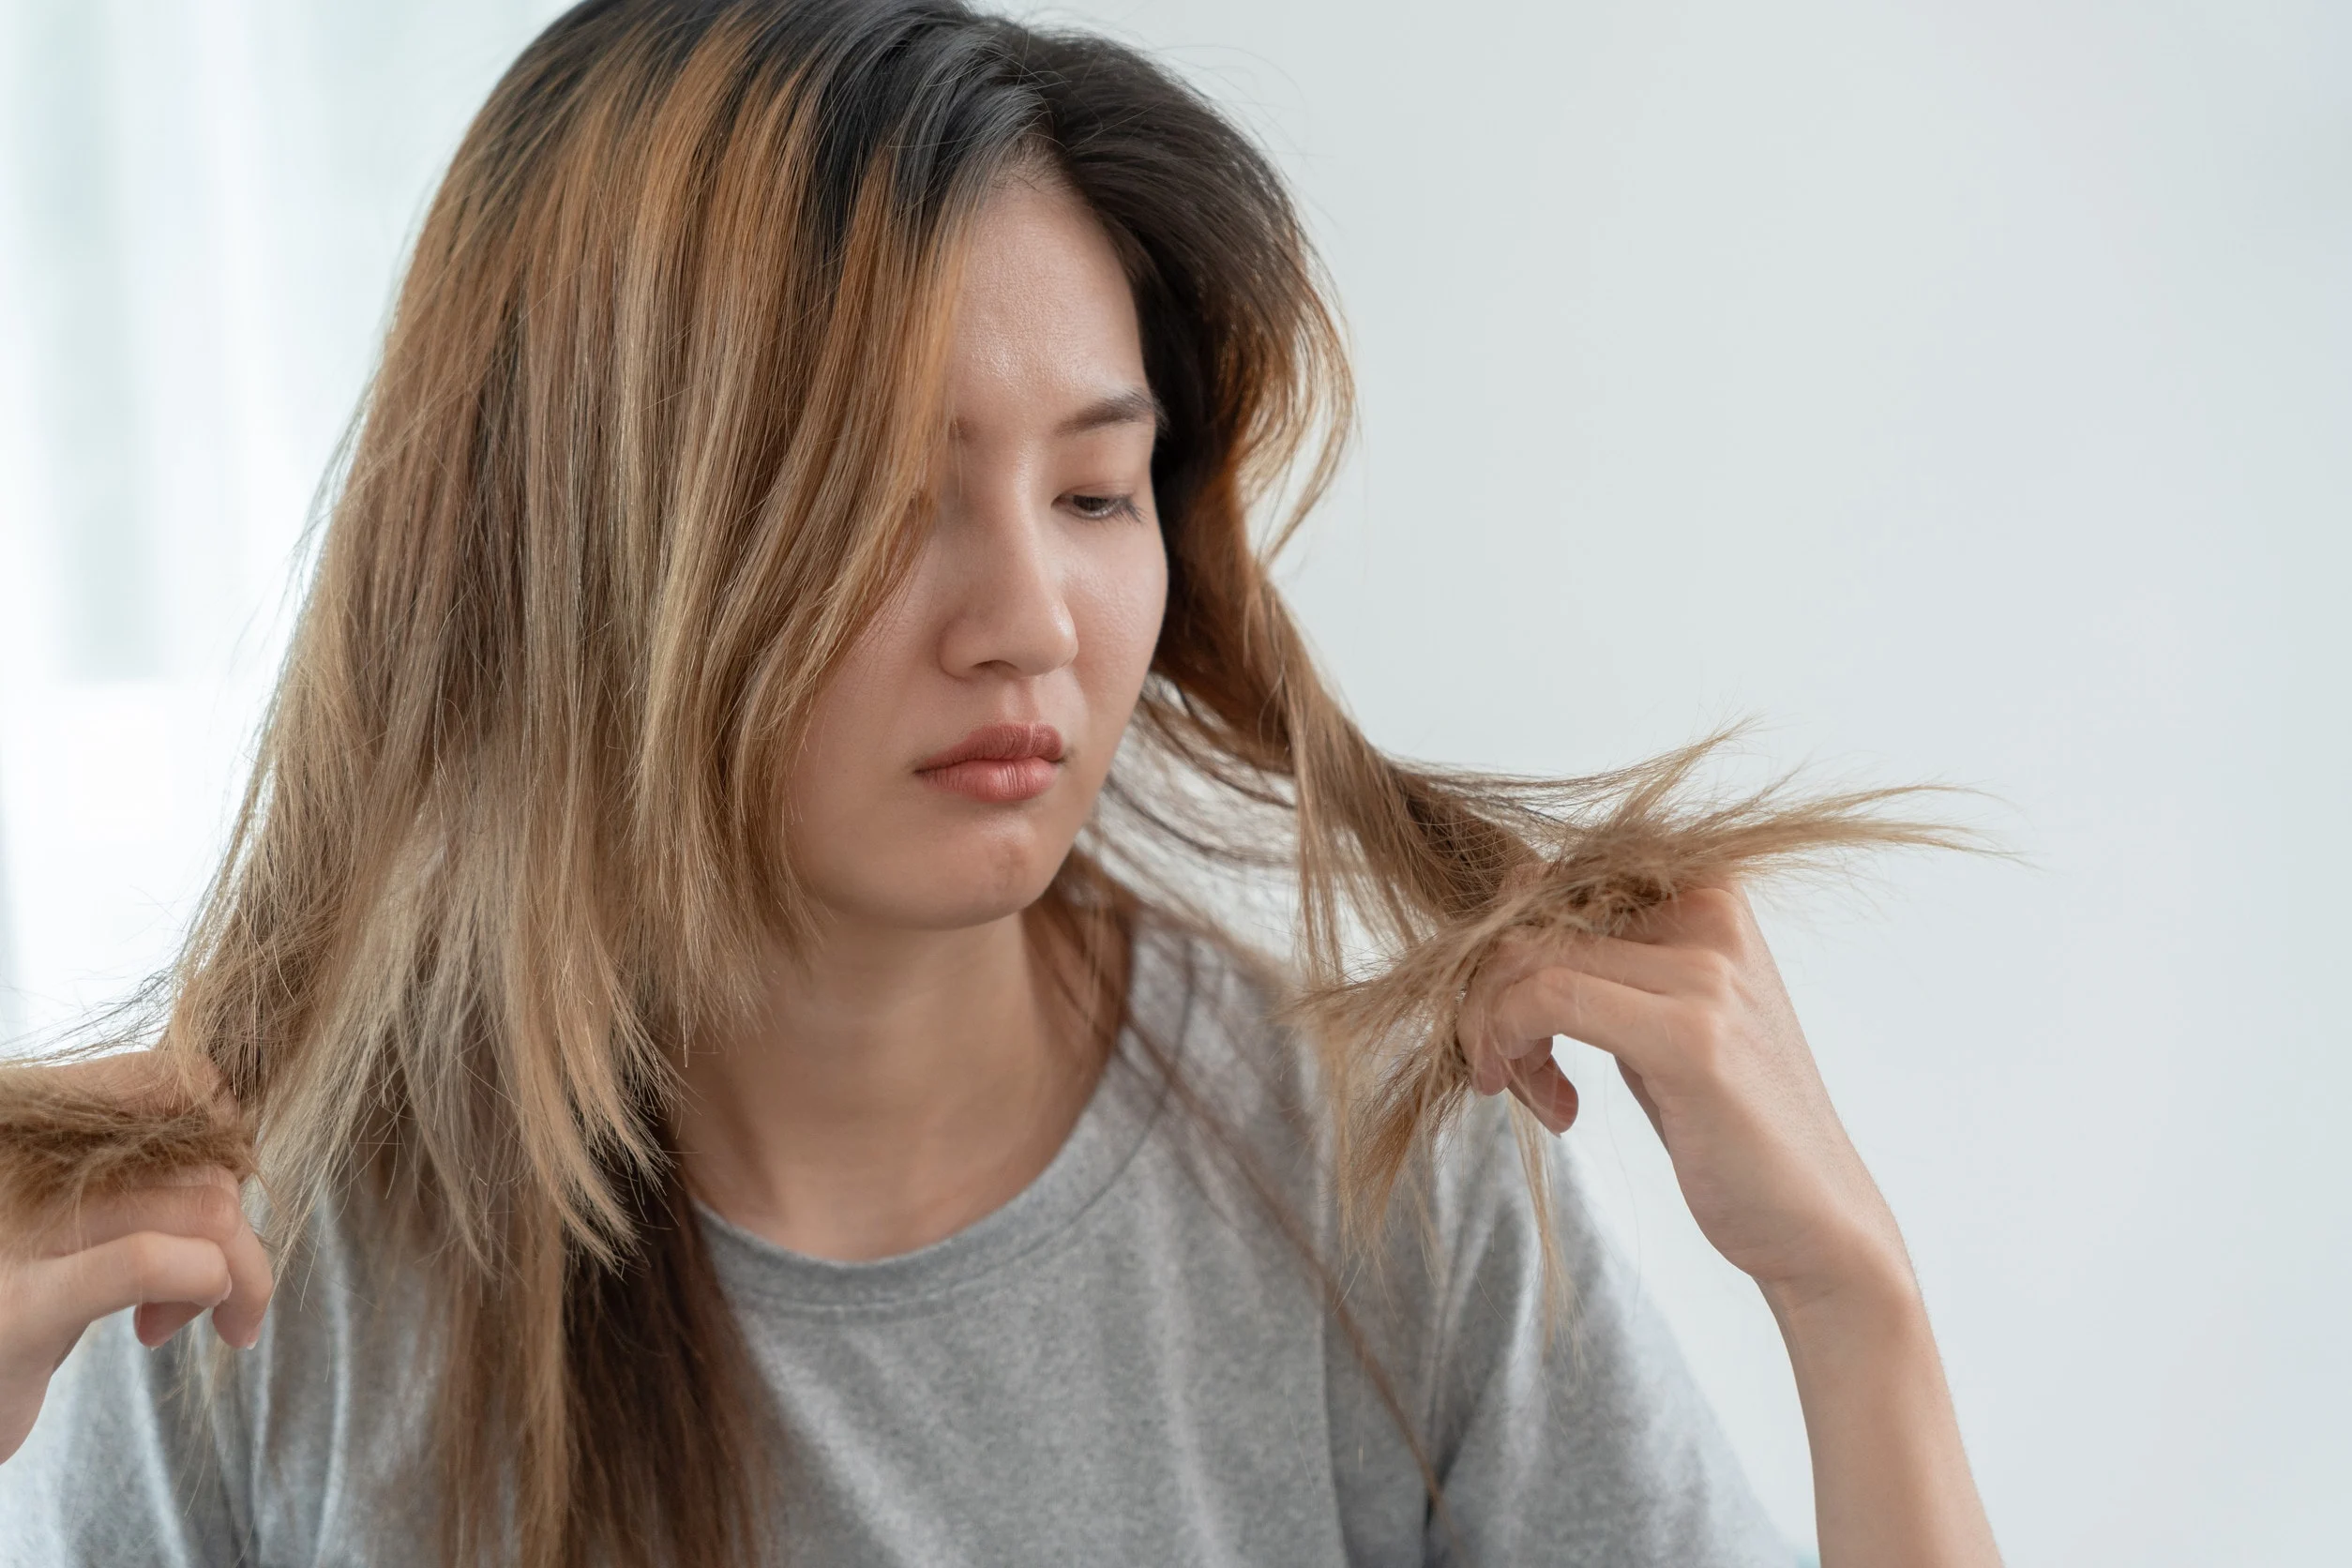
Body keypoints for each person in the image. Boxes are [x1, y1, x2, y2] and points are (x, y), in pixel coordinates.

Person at [0, 2, 2003, 1564]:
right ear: (585, 533)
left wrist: (1853, 1304)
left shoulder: (1385, 1181)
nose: (1032, 619)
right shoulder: (243, 1288)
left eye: (1096, 491)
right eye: (886, 496)